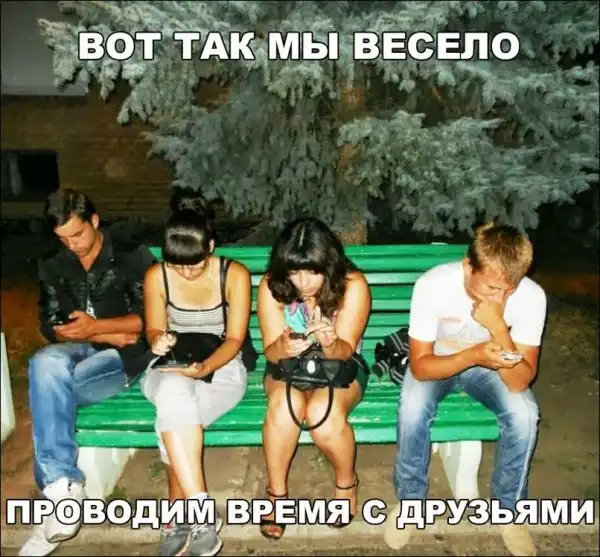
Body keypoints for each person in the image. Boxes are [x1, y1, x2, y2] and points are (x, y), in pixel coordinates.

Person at [384, 222, 546, 557]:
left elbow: (519, 381)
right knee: (412, 406)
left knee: (525, 414)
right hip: (440, 361)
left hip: (492, 368)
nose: (499, 298)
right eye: (491, 288)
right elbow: (421, 367)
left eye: (508, 290)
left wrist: (498, 327)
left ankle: (509, 511)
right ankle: (411, 502)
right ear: (468, 266)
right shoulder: (433, 285)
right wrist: (472, 355)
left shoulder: (531, 296)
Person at [20, 189, 156, 557]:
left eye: (78, 235)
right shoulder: (53, 263)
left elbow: (149, 320)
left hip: (124, 357)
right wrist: (106, 333)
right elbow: (50, 323)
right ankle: (62, 487)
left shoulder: (129, 254)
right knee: (44, 363)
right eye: (63, 239)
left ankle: (56, 506)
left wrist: (98, 329)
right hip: (88, 345)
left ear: (94, 221)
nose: (72, 245)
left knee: (48, 392)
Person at [140, 193, 251, 557]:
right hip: (171, 368)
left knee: (172, 422)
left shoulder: (234, 274)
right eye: (178, 265)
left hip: (222, 366)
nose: (186, 272)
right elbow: (153, 329)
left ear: (211, 247)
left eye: (195, 264)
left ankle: (178, 514)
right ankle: (201, 514)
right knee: (175, 393)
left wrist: (205, 368)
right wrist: (158, 340)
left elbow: (234, 339)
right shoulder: (157, 275)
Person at [256, 217, 372, 539]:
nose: (303, 282)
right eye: (294, 272)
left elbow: (346, 350)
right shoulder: (272, 285)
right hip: (288, 366)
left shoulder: (352, 284)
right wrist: (284, 346)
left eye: (312, 271)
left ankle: (346, 484)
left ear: (328, 264)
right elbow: (271, 352)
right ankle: (277, 494)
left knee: (323, 414)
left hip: (341, 365)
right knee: (284, 406)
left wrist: (330, 343)